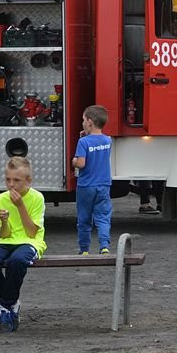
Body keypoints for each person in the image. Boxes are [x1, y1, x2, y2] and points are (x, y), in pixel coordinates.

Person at [0, 156, 46, 333]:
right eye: (8, 180)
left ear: (28, 181)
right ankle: (11, 304)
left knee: (17, 261)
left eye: (16, 180)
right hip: (7, 241)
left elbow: (32, 232)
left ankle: (4, 307)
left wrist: (21, 206)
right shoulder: (2, 198)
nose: (11, 185)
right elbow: (5, 234)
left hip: (31, 242)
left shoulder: (37, 198)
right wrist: (5, 221)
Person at [71, 105, 112, 255]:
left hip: (86, 185)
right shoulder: (108, 140)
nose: (82, 123)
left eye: (83, 120)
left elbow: (81, 163)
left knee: (84, 218)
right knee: (103, 217)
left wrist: (73, 161)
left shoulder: (84, 142)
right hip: (104, 184)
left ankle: (84, 250)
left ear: (89, 121)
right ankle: (104, 246)